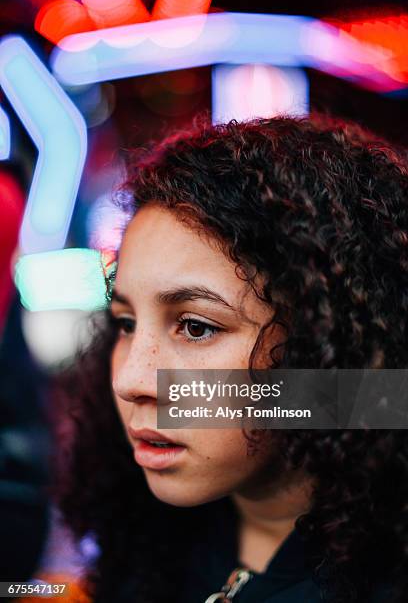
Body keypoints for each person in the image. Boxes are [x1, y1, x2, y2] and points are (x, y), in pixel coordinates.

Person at [55, 115, 408, 603]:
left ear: (328, 343)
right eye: (126, 323)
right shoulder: (144, 543)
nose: (131, 380)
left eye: (196, 326)